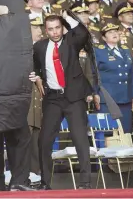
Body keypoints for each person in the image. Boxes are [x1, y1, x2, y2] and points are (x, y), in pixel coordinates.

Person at [33, 13, 92, 189]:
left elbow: (83, 34)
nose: (55, 32)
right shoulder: (39, 47)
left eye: (57, 27)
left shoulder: (70, 42)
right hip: (52, 98)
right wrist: (36, 77)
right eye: (50, 29)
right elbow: (34, 66)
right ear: (46, 30)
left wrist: (69, 18)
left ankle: (85, 183)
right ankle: (45, 183)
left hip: (73, 98)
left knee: (80, 139)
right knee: (44, 140)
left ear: (62, 27)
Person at [95, 23, 133, 132]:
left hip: (125, 97)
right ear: (104, 38)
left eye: (115, 31)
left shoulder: (125, 50)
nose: (114, 33)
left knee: (126, 131)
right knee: (109, 132)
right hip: (108, 98)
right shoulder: (99, 51)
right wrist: (95, 93)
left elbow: (131, 75)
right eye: (110, 32)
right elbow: (93, 74)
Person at [28, 17, 44, 178]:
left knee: (37, 140)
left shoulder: (42, 49)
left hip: (39, 101)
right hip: (26, 102)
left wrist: (40, 78)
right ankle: (26, 174)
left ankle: (36, 173)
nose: (40, 31)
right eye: (36, 28)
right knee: (26, 139)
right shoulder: (21, 50)